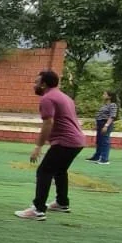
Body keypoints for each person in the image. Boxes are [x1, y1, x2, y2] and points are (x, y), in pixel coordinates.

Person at [15, 69, 87, 219]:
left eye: (36, 82)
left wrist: (38, 146)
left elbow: (48, 123)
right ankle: (62, 203)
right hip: (77, 141)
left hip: (65, 141)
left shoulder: (47, 99)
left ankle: (38, 210)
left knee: (44, 171)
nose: (34, 85)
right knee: (60, 171)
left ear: (44, 84)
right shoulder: (63, 96)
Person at [87, 90, 118, 165]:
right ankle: (97, 157)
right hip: (100, 123)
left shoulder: (113, 105)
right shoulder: (104, 105)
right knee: (99, 141)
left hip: (106, 124)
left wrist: (106, 126)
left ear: (109, 96)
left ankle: (104, 159)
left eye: (105, 94)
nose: (103, 95)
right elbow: (99, 115)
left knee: (105, 142)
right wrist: (96, 125)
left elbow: (112, 116)